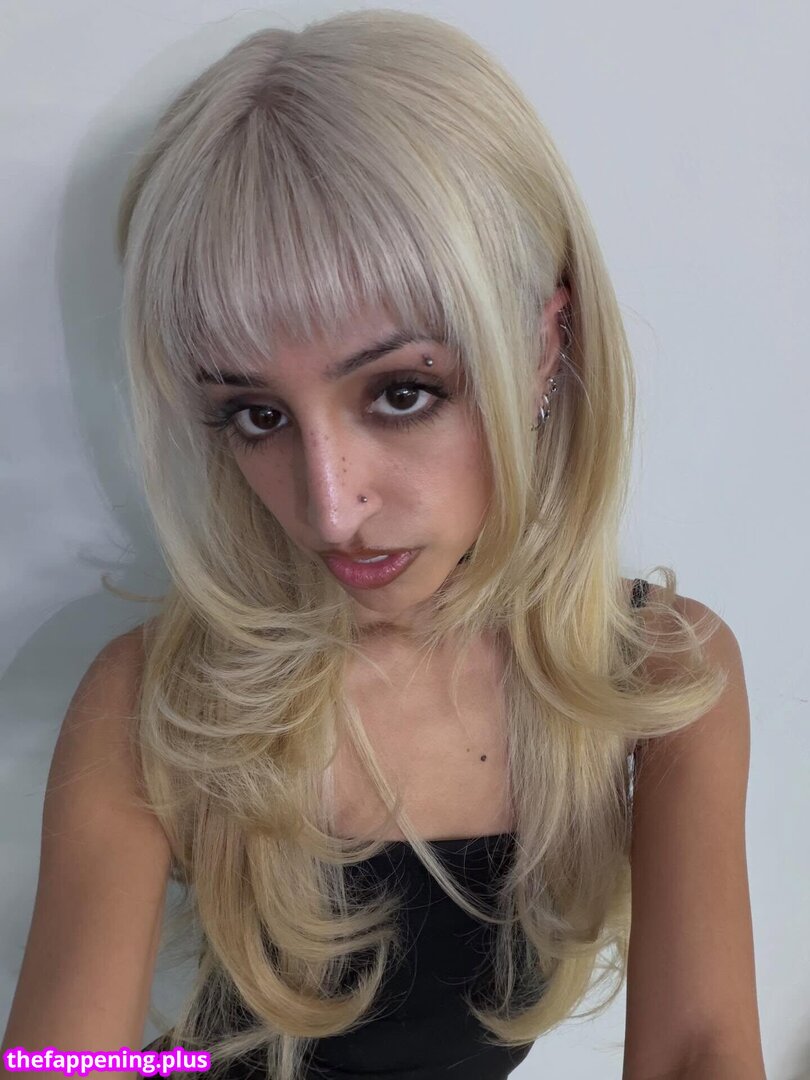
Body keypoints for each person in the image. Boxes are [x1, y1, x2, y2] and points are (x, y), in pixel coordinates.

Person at [1, 9, 766, 1080]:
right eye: (256, 415)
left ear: (543, 346)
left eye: (402, 392)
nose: (329, 508)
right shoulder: (157, 702)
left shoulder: (658, 679)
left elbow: (699, 1049)